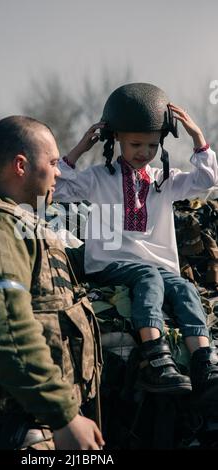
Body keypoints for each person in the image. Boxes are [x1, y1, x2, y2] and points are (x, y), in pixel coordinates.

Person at [0, 115, 104, 450]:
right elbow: (8, 331)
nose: (59, 172)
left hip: (38, 424)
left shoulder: (29, 227)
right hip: (10, 431)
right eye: (54, 163)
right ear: (21, 165)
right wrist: (64, 416)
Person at [54, 82, 218, 400]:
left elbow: (207, 180)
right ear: (116, 140)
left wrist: (197, 137)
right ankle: (155, 356)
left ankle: (203, 363)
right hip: (109, 261)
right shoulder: (99, 178)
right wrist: (79, 150)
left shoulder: (164, 181)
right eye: (135, 144)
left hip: (157, 265)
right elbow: (58, 187)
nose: (144, 153)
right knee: (148, 276)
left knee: (184, 287)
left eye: (152, 146)